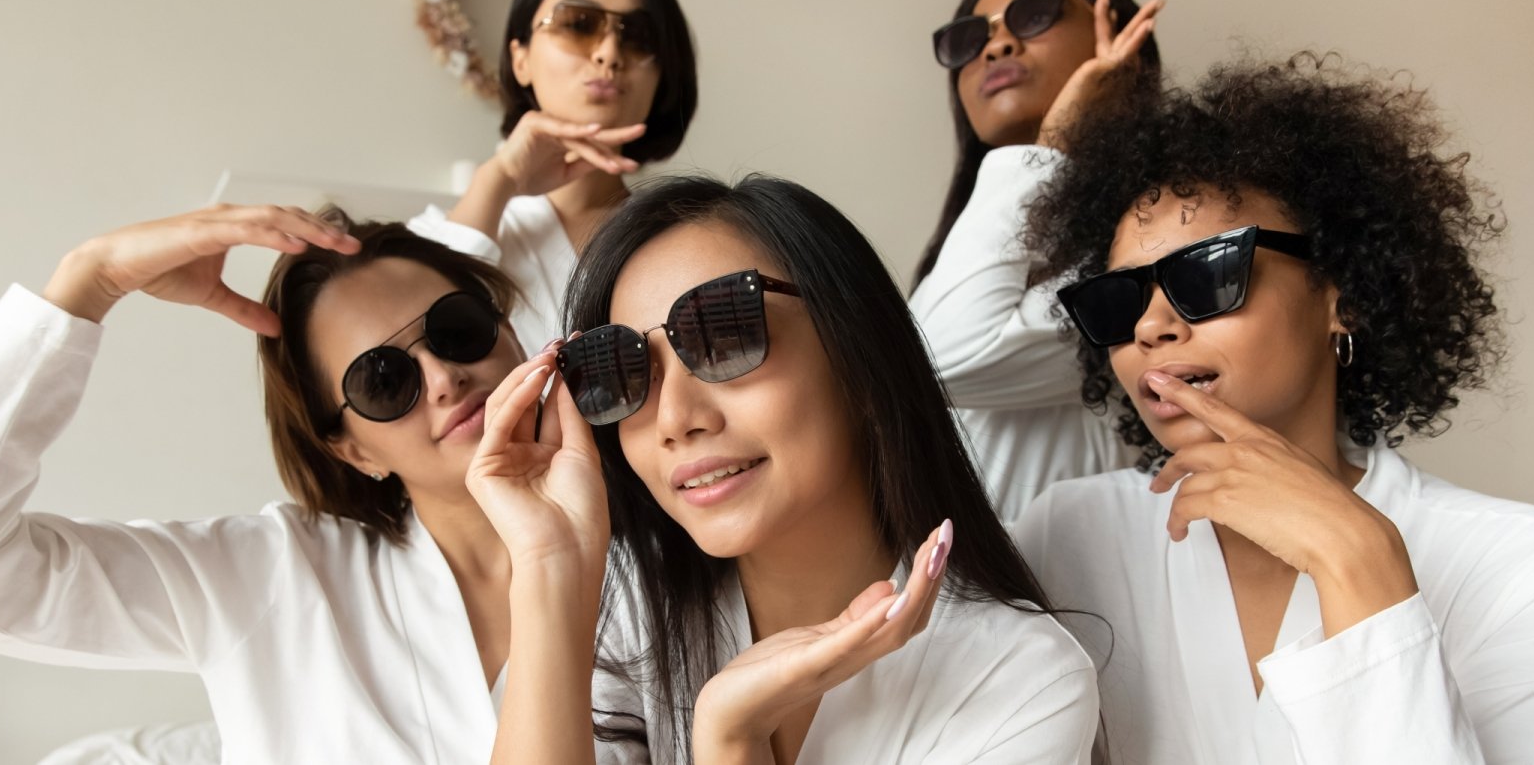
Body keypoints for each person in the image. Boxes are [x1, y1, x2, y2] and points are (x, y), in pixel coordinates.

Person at [1012, 53, 1534, 763]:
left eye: (1207, 275)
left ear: (1343, 296)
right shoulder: (1068, 534)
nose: (1151, 327)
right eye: (1117, 299)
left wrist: (1358, 561)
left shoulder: (1529, 568)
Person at [0, 204, 549, 763]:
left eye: (458, 330)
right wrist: (90, 282)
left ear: (512, 335)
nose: (445, 379)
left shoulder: (653, 545)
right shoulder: (277, 576)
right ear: (352, 449)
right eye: (383, 381)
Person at [466, 176, 1100, 763]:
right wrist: (550, 566)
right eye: (624, 370)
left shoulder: (1021, 678)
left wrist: (730, 736)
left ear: (857, 357)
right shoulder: (627, 611)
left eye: (727, 335)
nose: (674, 418)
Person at [907, 0, 1164, 518]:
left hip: (1079, 600)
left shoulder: (1155, 246)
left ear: (1120, 44)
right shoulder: (969, 240)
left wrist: (1059, 139)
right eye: (970, 39)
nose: (995, 47)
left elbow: (935, 360)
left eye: (1035, 13)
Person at [412, 0, 699, 354]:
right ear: (520, 59)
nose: (609, 51)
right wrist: (500, 178)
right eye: (579, 24)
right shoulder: (439, 234)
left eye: (638, 36)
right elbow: (420, 338)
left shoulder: (684, 238)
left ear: (663, 75)